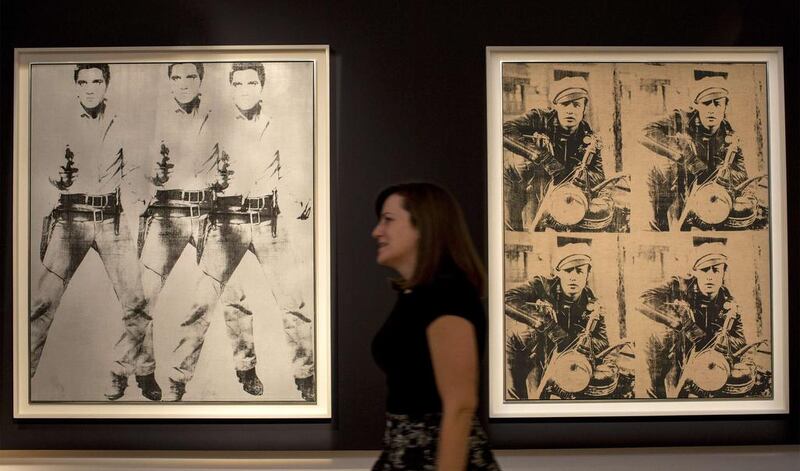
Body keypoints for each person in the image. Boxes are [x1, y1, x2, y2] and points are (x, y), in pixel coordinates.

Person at [162, 62, 315, 402]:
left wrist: (299, 198)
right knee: (210, 303)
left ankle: (307, 376)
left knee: (294, 303)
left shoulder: (277, 124)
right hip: (225, 221)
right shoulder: (212, 125)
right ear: (230, 87)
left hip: (268, 220)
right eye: (238, 84)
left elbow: (287, 172)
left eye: (251, 83)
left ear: (261, 86)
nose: (245, 90)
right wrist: (212, 183)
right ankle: (181, 377)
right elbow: (193, 173)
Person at [31, 63, 161, 401]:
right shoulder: (59, 122)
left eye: (97, 81)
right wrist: (57, 179)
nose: (90, 88)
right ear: (76, 86)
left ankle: (143, 371)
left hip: (111, 219)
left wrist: (141, 194)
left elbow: (132, 171)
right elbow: (46, 166)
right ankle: (19, 375)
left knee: (136, 299)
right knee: (42, 302)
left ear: (107, 85)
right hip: (70, 217)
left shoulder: (122, 122)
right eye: (84, 82)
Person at [371, 183, 499, 470]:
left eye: (388, 220)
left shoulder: (446, 296)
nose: (377, 231)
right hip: (406, 455)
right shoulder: (415, 295)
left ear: (424, 227)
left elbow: (460, 405)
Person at [639, 237, 751, 398]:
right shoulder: (679, 286)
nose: (710, 276)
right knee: (658, 393)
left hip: (697, 353)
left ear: (724, 273)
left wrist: (719, 339)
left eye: (716, 270)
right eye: (704, 270)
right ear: (695, 272)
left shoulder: (729, 304)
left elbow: (740, 341)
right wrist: (681, 323)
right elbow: (642, 300)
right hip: (662, 348)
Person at [504, 238, 611, 400]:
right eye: (568, 271)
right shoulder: (541, 285)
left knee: (542, 399)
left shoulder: (592, 305)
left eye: (579, 271)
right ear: (558, 272)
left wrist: (583, 342)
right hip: (521, 347)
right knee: (516, 398)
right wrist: (549, 325)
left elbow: (603, 341)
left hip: (554, 355)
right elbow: (506, 299)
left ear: (588, 274)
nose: (573, 277)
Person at [641, 73, 750, 231]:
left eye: (717, 104)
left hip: (704, 192)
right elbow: (644, 131)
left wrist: (725, 177)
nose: (712, 109)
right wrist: (688, 157)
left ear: (725, 106)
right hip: (669, 185)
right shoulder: (682, 118)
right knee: (666, 225)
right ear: (697, 105)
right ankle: (661, 222)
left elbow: (742, 175)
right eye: (706, 103)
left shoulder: (730, 137)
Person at [502, 76, 611, 231]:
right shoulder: (539, 118)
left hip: (548, 186)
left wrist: (583, 177)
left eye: (576, 105)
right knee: (511, 229)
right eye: (565, 104)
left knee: (541, 227)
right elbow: (504, 131)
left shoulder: (589, 138)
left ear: (584, 109)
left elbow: (599, 174)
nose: (570, 110)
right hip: (515, 178)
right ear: (556, 106)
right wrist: (545, 158)